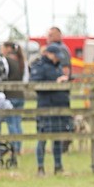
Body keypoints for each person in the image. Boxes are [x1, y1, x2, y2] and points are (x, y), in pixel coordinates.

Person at [28, 45, 72, 176]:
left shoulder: (57, 66)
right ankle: (40, 168)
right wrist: (55, 83)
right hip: (46, 106)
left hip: (59, 107)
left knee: (57, 138)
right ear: (49, 54)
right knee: (42, 138)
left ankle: (58, 167)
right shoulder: (39, 67)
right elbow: (35, 85)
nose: (57, 58)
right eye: (56, 55)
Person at [1, 41, 26, 160]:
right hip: (20, 95)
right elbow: (26, 79)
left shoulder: (6, 61)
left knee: (11, 123)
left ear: (8, 48)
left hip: (9, 95)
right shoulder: (22, 62)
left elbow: (3, 77)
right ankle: (19, 147)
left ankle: (14, 149)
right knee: (18, 122)